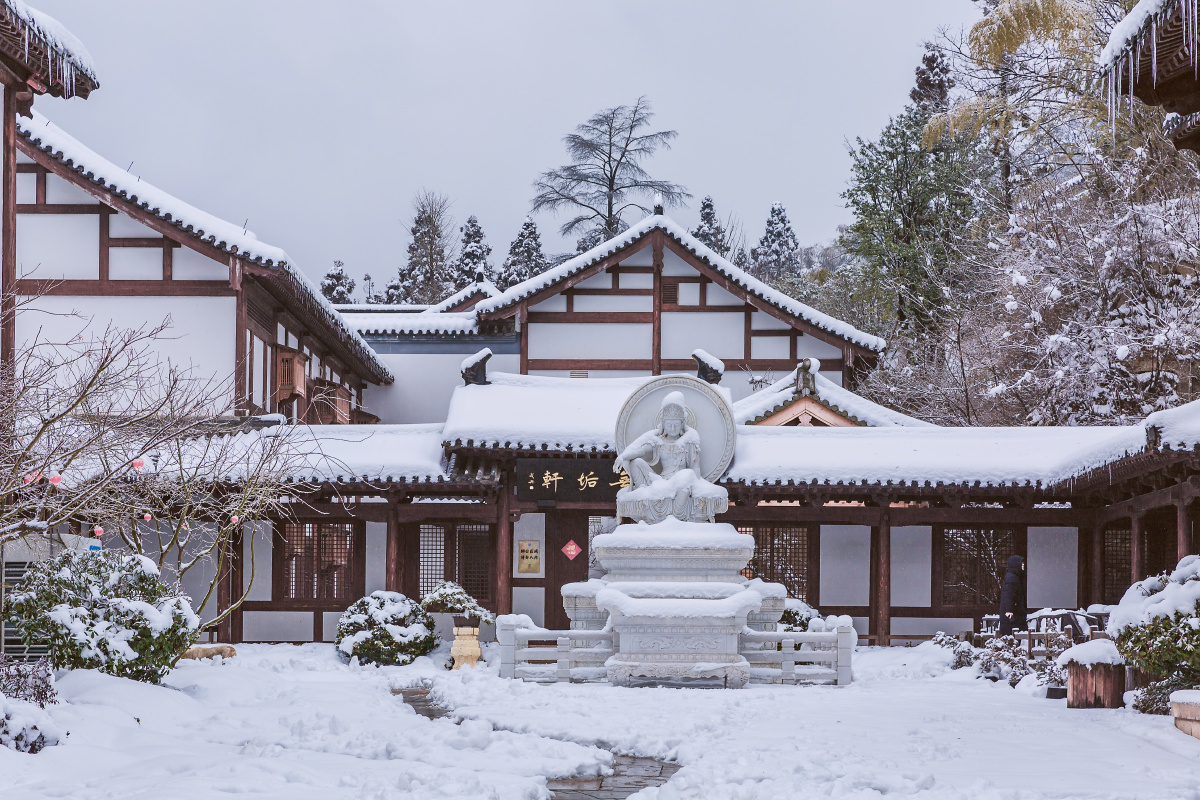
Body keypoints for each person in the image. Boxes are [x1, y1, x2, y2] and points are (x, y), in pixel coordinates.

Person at [997, 554, 1027, 637]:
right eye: (1021, 564)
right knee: (1013, 637)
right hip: (1013, 617)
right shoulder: (1012, 578)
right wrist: (1010, 611)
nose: (1023, 565)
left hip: (1014, 615)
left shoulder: (1014, 577)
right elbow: (1009, 595)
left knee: (1014, 637)